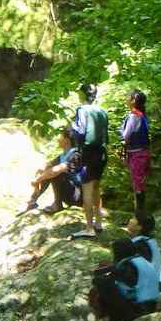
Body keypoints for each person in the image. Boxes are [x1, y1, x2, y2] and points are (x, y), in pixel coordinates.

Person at [90, 238, 160, 321]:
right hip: (152, 305)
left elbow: (119, 280)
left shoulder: (127, 266)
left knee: (101, 282)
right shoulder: (141, 260)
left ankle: (117, 318)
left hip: (139, 310)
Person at [70, 83, 109, 238]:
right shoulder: (102, 111)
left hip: (88, 153)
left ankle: (89, 228)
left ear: (82, 94)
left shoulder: (81, 110)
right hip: (101, 153)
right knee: (96, 187)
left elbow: (80, 131)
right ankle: (98, 223)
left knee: (87, 189)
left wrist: (72, 128)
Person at [22, 127, 83, 214]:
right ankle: (33, 200)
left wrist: (37, 180)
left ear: (67, 140)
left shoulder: (75, 155)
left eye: (61, 136)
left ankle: (57, 204)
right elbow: (47, 166)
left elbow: (57, 170)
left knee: (57, 174)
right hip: (70, 193)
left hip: (77, 195)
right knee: (47, 172)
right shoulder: (63, 155)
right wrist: (41, 172)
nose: (58, 139)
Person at [120, 89, 150, 213]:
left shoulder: (133, 116)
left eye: (128, 96)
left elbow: (126, 136)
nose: (126, 98)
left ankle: (139, 214)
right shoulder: (141, 115)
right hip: (143, 152)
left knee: (137, 184)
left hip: (136, 154)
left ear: (133, 100)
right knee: (139, 183)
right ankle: (139, 213)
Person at [126, 212, 161, 284]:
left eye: (133, 218)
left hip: (145, 288)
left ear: (139, 227)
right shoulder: (149, 241)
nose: (130, 220)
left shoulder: (140, 245)